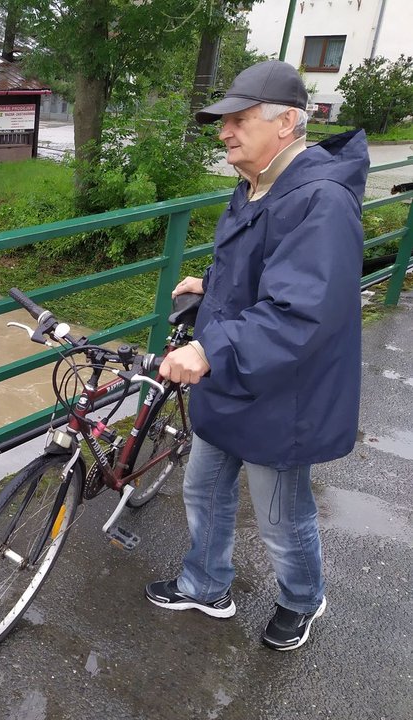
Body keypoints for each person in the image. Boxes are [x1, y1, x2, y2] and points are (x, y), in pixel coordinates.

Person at [144, 60, 369, 651]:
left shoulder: (321, 201)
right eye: (224, 122)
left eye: (239, 120)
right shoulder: (255, 183)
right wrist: (210, 287)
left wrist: (208, 346)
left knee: (279, 515)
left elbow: (299, 311)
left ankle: (302, 598)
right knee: (204, 487)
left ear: (288, 122)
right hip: (237, 376)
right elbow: (262, 271)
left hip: (283, 394)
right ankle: (205, 583)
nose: (225, 133)